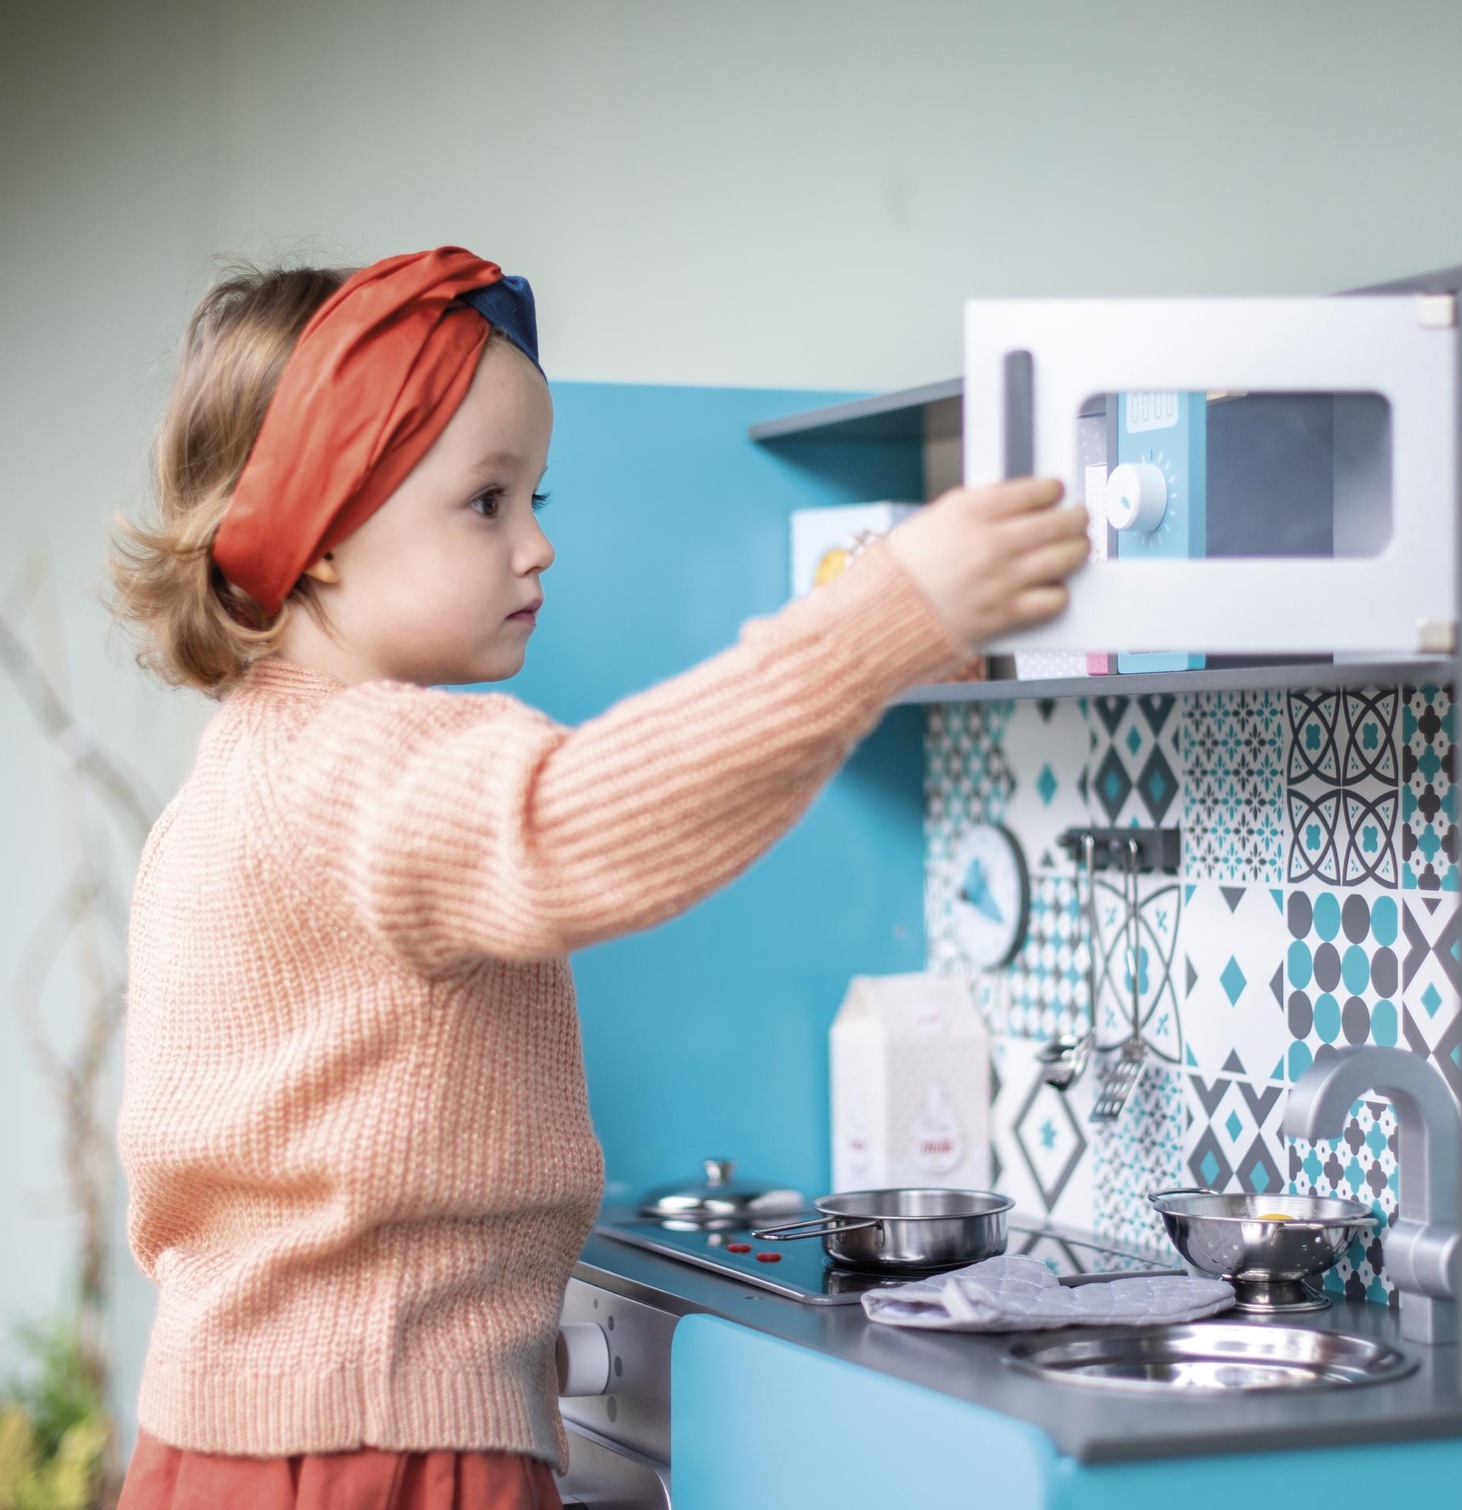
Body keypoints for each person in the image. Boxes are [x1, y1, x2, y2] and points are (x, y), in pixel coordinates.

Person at [106, 246, 1087, 1509]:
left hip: (235, 1438)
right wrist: (890, 615)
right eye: (487, 501)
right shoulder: (367, 765)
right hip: (374, 1446)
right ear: (327, 528)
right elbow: (586, 819)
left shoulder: (246, 769)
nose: (539, 545)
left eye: (535, 496)